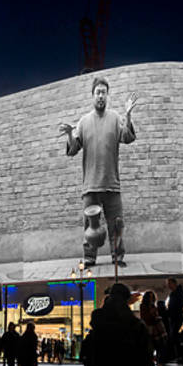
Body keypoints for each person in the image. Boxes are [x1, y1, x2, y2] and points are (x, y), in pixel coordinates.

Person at [60, 77, 139, 267]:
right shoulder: (83, 122)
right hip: (91, 185)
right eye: (98, 92)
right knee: (89, 225)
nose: (101, 96)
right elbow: (72, 150)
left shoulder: (115, 118)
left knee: (117, 223)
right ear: (93, 96)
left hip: (112, 183)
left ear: (107, 95)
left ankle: (117, 257)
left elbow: (127, 138)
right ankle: (89, 258)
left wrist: (128, 115)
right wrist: (70, 134)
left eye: (104, 92)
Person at [139, 290, 168, 366]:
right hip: (151, 328)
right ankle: (154, 362)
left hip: (154, 328)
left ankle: (157, 362)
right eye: (150, 297)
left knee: (157, 346)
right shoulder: (144, 306)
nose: (151, 298)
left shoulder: (151, 306)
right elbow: (147, 317)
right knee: (152, 346)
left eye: (152, 297)